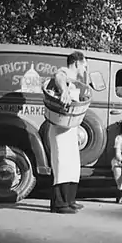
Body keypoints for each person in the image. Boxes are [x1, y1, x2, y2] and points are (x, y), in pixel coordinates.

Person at [47, 51, 88, 214]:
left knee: (72, 165)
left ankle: (69, 200)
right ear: (77, 63)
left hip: (70, 127)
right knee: (62, 164)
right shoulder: (64, 72)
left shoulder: (75, 80)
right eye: (84, 65)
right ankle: (59, 204)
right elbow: (59, 77)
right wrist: (63, 91)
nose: (85, 69)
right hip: (59, 127)